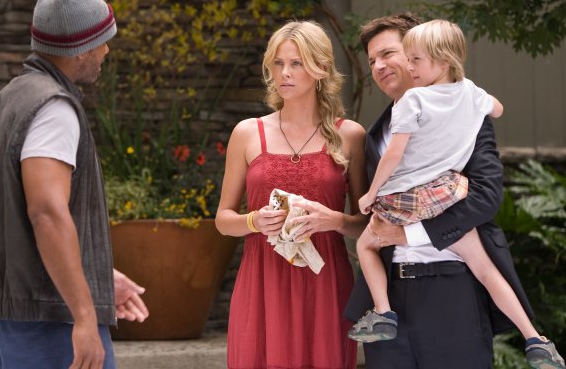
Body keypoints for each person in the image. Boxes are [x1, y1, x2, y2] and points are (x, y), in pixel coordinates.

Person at [347, 19, 564, 368]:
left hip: (452, 290)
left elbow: (487, 196)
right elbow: (370, 218)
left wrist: (410, 233)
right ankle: (535, 339)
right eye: (372, 60)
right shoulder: (375, 131)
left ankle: (534, 339)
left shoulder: (466, 114)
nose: (379, 66)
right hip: (392, 290)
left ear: (430, 55)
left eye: (390, 54)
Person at [0, 0, 149, 369]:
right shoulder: (53, 109)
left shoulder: (2, 104)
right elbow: (46, 212)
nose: (106, 49)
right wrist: (84, 314)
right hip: (49, 322)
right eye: (102, 40)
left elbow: (10, 223)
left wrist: (96, 276)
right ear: (80, 47)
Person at [215, 20, 368, 369]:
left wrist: (334, 220)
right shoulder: (247, 133)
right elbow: (223, 220)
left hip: (325, 282)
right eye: (278, 63)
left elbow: (365, 224)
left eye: (296, 63)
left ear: (321, 68)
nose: (284, 73)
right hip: (262, 280)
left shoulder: (350, 136)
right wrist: (254, 221)